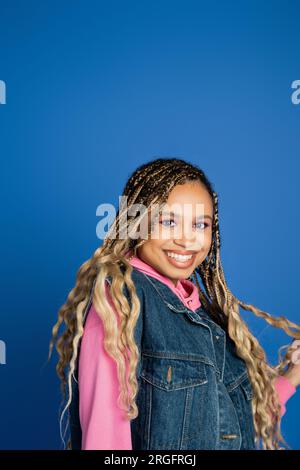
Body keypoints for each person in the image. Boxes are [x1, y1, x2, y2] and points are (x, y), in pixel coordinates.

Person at [48, 157, 300, 450]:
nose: (186, 239)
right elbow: (105, 437)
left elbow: (226, 423)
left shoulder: (203, 313)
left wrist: (292, 376)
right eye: (168, 221)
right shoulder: (121, 299)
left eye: (200, 224)